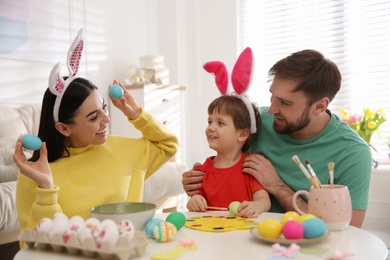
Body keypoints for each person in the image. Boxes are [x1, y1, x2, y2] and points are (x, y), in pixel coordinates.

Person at [13, 29, 178, 247]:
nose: (106, 120)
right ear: (63, 128)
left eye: (104, 108)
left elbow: (168, 144)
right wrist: (46, 187)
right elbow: (33, 246)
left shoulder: (122, 150)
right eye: (93, 117)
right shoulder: (33, 174)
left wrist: (136, 113)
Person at [182, 49, 372, 228]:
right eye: (272, 96)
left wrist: (277, 186)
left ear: (319, 106)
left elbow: (347, 232)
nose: (271, 110)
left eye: (285, 103)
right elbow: (226, 168)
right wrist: (197, 182)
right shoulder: (256, 122)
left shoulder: (353, 153)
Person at [186, 95, 271, 218]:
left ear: (242, 134)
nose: (210, 127)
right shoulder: (203, 169)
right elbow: (195, 201)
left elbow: (264, 201)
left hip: (243, 231)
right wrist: (193, 202)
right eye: (210, 122)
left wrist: (256, 206)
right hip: (211, 231)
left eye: (220, 123)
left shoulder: (250, 167)